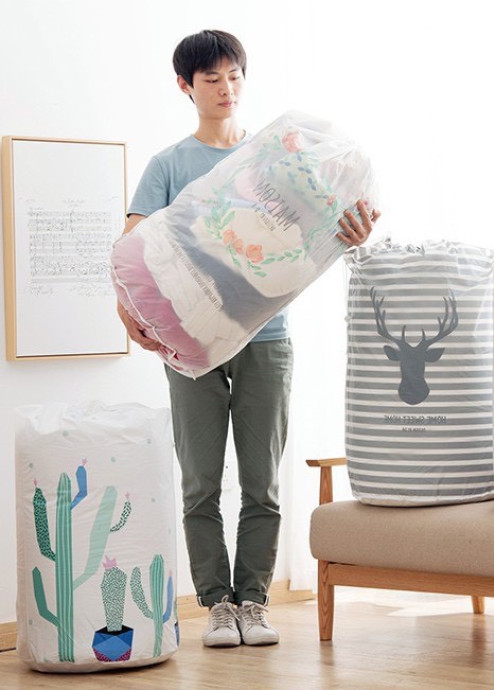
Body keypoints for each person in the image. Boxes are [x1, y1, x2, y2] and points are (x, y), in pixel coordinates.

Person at [117, 29, 380, 648]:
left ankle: (254, 602)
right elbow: (134, 246)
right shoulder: (169, 165)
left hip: (267, 338)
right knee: (200, 481)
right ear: (185, 86)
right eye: (211, 79)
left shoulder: (279, 154)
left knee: (262, 481)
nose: (226, 88)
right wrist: (126, 313)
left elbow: (312, 236)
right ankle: (216, 604)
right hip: (191, 342)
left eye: (234, 75)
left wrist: (353, 235)